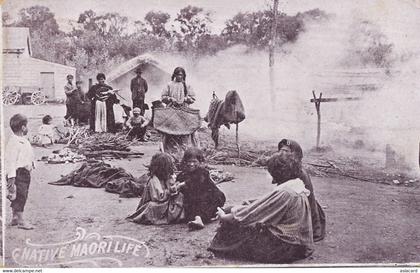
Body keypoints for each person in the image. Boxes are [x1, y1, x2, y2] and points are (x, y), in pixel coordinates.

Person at [208, 154, 314, 263]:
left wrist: (224, 217)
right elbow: (263, 203)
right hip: (297, 244)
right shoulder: (296, 186)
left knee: (239, 227)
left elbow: (252, 214)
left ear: (277, 172)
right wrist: (235, 207)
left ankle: (219, 248)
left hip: (286, 246)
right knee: (236, 213)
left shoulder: (286, 192)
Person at [277, 139, 326, 242]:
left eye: (286, 151)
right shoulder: (283, 167)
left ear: (294, 155)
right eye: (281, 150)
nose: (283, 154)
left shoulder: (299, 172)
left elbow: (309, 200)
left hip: (303, 207)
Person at [127, 153, 184, 225]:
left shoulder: (167, 177)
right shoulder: (154, 180)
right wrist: (170, 191)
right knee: (151, 206)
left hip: (165, 202)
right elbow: (158, 197)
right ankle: (166, 217)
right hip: (157, 203)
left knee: (180, 196)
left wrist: (175, 185)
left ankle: (175, 216)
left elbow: (172, 186)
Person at [176, 148, 226, 230]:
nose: (191, 164)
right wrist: (177, 185)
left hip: (212, 198)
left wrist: (183, 184)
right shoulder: (183, 174)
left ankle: (199, 219)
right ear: (185, 162)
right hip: (194, 201)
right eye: (189, 161)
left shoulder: (203, 172)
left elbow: (197, 181)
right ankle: (202, 217)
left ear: (200, 162)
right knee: (191, 206)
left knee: (202, 202)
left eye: (194, 162)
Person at [5, 114, 35, 230]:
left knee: (19, 194)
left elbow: (28, 155)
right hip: (18, 173)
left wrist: (32, 165)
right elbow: (10, 161)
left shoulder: (22, 140)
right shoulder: (14, 143)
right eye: (26, 126)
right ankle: (21, 221)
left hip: (25, 172)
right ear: (23, 127)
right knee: (21, 196)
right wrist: (11, 177)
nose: (27, 128)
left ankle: (15, 217)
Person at [160, 67, 197, 154]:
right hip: (171, 109)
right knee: (168, 129)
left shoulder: (187, 85)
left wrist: (186, 99)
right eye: (178, 74)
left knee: (186, 129)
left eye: (181, 75)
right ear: (174, 75)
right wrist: (170, 99)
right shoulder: (169, 84)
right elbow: (163, 97)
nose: (179, 76)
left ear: (184, 75)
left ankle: (186, 148)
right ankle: (166, 149)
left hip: (184, 109)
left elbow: (193, 98)